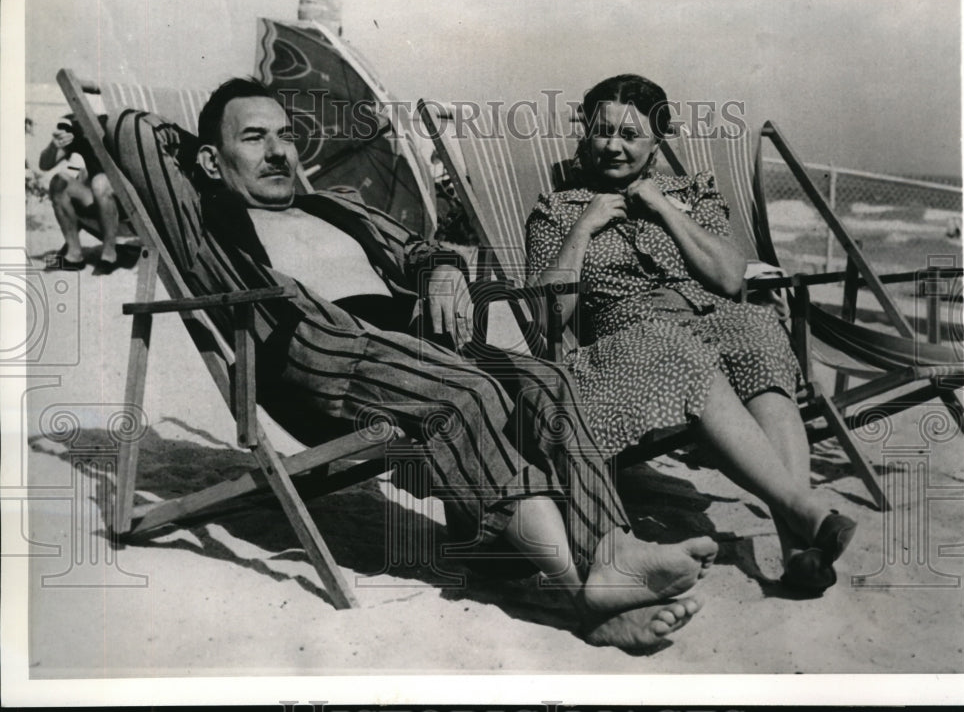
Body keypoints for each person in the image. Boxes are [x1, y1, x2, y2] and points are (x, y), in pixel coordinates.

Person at [183, 77, 719, 653]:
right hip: (329, 354)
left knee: (545, 378)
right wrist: (176, 141)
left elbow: (422, 248)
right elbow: (130, 136)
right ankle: (579, 595)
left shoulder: (333, 206)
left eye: (286, 135)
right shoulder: (213, 228)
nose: (278, 152)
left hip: (417, 342)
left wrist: (443, 271)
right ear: (213, 160)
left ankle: (609, 548)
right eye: (254, 138)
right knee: (468, 393)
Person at [525, 74, 857, 593]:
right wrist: (583, 230)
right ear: (584, 135)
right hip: (630, 340)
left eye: (630, 135)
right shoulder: (559, 210)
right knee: (677, 346)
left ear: (657, 143)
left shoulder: (689, 194)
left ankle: (796, 545)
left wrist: (662, 208)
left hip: (711, 319)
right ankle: (803, 508)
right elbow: (542, 322)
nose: (613, 144)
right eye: (602, 131)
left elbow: (728, 278)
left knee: (755, 326)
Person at [38, 114, 119, 273]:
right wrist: (55, 145)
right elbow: (44, 165)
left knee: (100, 182)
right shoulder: (78, 128)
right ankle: (74, 254)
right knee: (59, 182)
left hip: (127, 199)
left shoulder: (116, 127)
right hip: (97, 194)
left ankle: (109, 252)